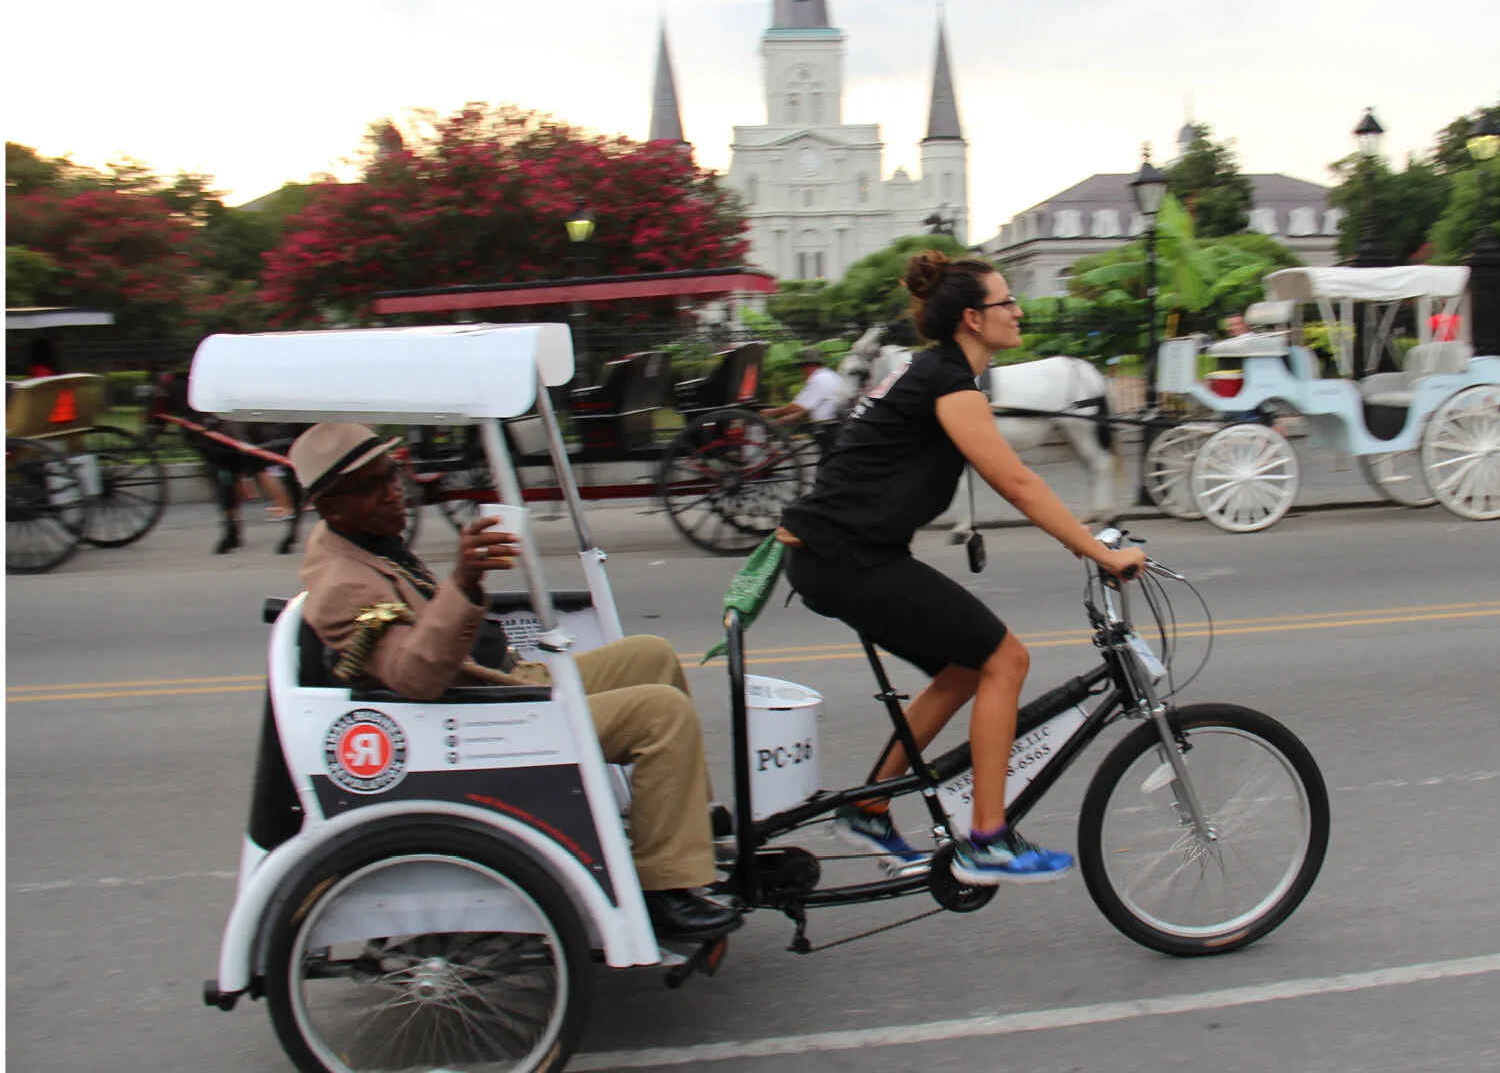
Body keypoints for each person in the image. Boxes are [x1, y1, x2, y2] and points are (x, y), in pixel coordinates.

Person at [288, 422, 740, 944]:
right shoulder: (342, 585)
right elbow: (415, 677)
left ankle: (683, 829)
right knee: (659, 713)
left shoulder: (362, 541)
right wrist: (464, 581)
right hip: (473, 720)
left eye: (391, 476)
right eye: (369, 488)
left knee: (650, 655)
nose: (392, 494)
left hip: (499, 682)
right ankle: (664, 887)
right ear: (329, 507)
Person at [779, 251, 1146, 887]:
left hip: (837, 554)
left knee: (966, 670)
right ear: (974, 318)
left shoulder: (931, 372)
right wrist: (1100, 552)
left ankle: (870, 809)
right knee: (1007, 660)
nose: (1019, 311)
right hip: (846, 557)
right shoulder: (948, 382)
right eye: (1008, 302)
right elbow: (1017, 482)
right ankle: (987, 840)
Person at [763, 347, 848, 454]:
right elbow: (807, 408)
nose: (802, 372)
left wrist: (773, 412)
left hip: (829, 429)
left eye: (802, 368)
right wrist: (782, 420)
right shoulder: (830, 376)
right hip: (836, 427)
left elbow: (798, 407)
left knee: (831, 460)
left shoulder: (819, 379)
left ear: (807, 366)